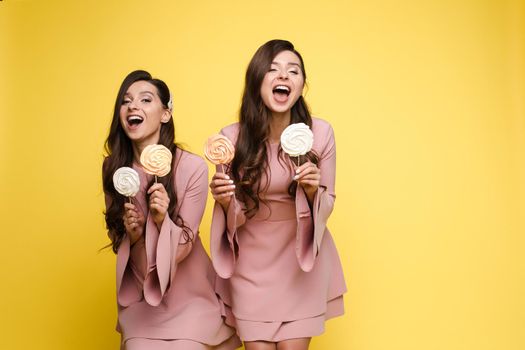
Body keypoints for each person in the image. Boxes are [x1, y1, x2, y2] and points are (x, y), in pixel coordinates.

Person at [209, 40, 347, 350]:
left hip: (301, 262)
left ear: (301, 85)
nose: (284, 76)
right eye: (273, 70)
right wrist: (224, 199)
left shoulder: (320, 133)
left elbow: (329, 203)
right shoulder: (231, 138)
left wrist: (313, 191)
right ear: (257, 80)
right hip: (250, 265)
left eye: (293, 71)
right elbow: (234, 216)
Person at [102, 70, 240, 350]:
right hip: (142, 299)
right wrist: (136, 235)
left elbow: (183, 248)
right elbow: (120, 241)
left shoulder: (192, 167)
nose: (133, 107)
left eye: (145, 100)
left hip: (191, 299)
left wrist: (161, 219)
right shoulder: (113, 169)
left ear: (165, 114)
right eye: (126, 101)